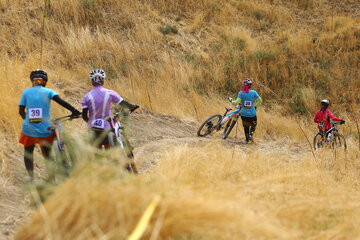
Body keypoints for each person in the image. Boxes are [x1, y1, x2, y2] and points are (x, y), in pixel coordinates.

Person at [19, 69, 81, 182]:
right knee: (47, 153)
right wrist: (75, 111)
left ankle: (30, 177)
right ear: (45, 81)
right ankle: (51, 177)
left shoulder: (25, 92)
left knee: (28, 152)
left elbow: (21, 111)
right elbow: (62, 102)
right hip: (45, 130)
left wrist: (28, 120)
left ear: (32, 81)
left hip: (28, 129)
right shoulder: (49, 91)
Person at [81, 69, 138, 172]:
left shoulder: (86, 97)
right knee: (119, 130)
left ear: (91, 81)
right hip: (108, 129)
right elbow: (123, 104)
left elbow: (84, 116)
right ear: (103, 80)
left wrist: (90, 122)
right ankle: (128, 154)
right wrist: (133, 107)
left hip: (94, 133)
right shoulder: (109, 93)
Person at [229, 78, 262, 143]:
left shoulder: (241, 93)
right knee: (254, 125)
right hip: (252, 114)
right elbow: (260, 101)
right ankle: (250, 135)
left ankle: (247, 139)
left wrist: (231, 100)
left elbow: (236, 102)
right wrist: (255, 106)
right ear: (250, 85)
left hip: (243, 114)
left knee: (246, 127)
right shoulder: (253, 92)